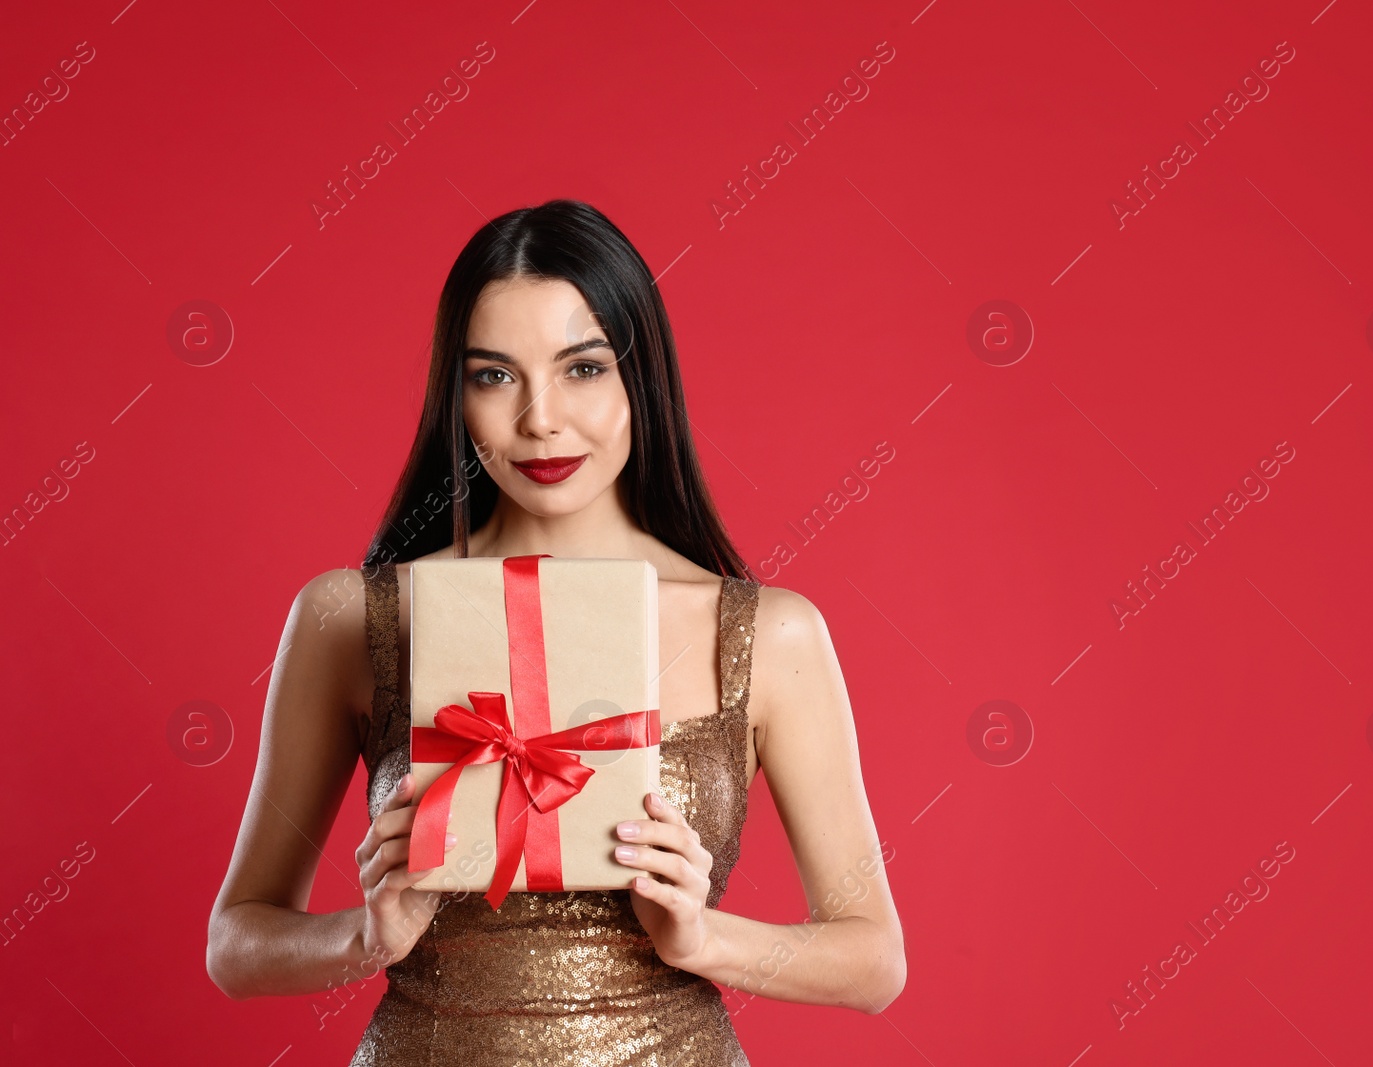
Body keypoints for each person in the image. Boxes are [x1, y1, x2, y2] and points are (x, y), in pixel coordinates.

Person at [205, 199, 905, 1064]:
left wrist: (699, 937)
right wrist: (367, 934)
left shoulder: (765, 632)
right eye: (494, 375)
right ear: (453, 391)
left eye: (583, 368)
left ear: (640, 376)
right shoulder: (353, 618)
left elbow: (873, 960)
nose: (540, 418)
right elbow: (236, 945)